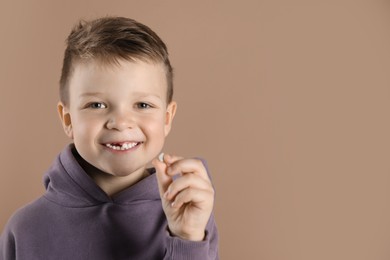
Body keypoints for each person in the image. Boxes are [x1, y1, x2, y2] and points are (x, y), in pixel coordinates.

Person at [0, 16, 218, 259]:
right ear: (68, 119)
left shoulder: (191, 212)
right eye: (97, 104)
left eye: (143, 104)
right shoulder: (25, 230)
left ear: (167, 118)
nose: (121, 122)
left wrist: (187, 240)